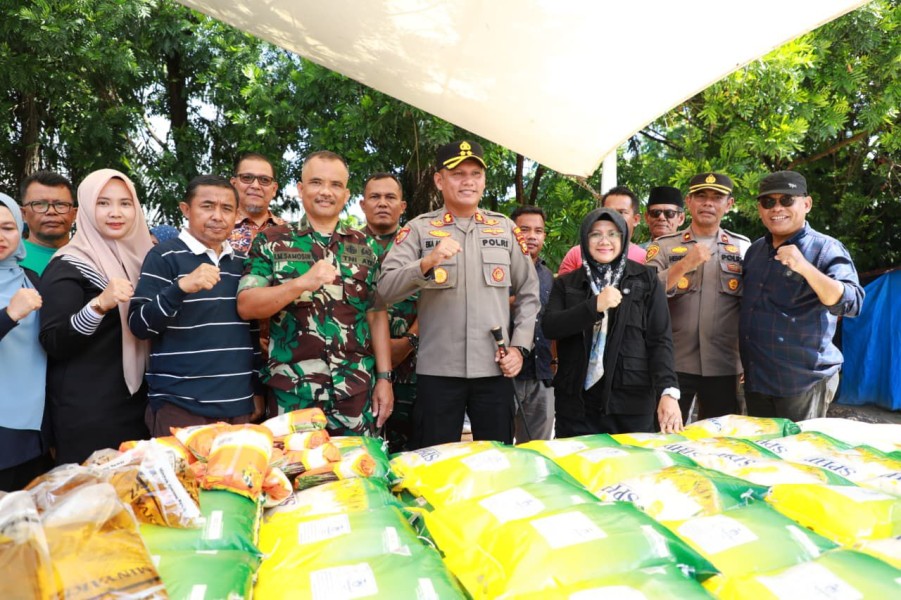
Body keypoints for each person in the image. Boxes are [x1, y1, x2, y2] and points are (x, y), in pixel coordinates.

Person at [378, 140, 540, 448]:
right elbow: (385, 289)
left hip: (494, 369)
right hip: (439, 372)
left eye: (475, 174)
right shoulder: (419, 230)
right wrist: (426, 263)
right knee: (436, 464)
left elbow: (530, 292)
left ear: (483, 181)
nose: (468, 181)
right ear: (439, 181)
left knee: (496, 464)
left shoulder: (504, 229)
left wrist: (520, 348)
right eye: (457, 173)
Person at [237, 151, 393, 435]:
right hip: (293, 395)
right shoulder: (273, 240)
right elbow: (247, 305)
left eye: (335, 185)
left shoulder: (367, 246)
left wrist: (384, 378)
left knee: (358, 473)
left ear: (346, 194)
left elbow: (376, 314)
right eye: (316, 182)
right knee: (296, 475)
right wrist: (299, 283)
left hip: (355, 391)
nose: (325, 192)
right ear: (300, 189)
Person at [129, 175, 264, 436]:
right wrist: (180, 288)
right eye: (207, 206)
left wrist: (256, 390)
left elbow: (252, 334)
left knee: (233, 478)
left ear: (237, 215)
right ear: (186, 210)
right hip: (179, 408)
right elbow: (139, 325)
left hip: (237, 406)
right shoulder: (163, 256)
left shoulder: (242, 263)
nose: (217, 216)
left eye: (226, 209)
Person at [39, 169, 153, 464]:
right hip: (88, 411)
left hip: (140, 405)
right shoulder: (69, 265)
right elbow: (54, 341)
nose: (115, 213)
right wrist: (98, 306)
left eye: (125, 203)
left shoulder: (145, 261)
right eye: (103, 203)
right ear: (87, 209)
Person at [543, 208, 682, 436]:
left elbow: (660, 340)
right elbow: (551, 326)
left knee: (632, 470)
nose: (604, 241)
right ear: (585, 239)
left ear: (623, 238)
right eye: (595, 234)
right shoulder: (567, 283)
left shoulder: (646, 279)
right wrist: (594, 306)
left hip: (631, 405)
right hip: (576, 406)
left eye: (613, 234)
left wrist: (668, 391)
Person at [740, 170, 864, 421]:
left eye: (787, 200)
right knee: (764, 455)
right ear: (760, 209)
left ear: (806, 204)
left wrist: (805, 267)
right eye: (768, 202)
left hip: (803, 382)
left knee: (799, 457)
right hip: (758, 380)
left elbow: (852, 302)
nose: (777, 208)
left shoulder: (825, 248)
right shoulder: (755, 250)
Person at [645, 172, 749, 422]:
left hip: (723, 365)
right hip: (672, 363)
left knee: (717, 443)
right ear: (689, 202)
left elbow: (753, 307)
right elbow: (644, 294)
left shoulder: (744, 248)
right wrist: (683, 265)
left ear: (729, 204)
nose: (708, 203)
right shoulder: (664, 246)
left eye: (717, 197)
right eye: (701, 196)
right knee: (664, 438)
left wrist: (749, 359)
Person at [360, 172, 419, 452]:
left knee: (413, 454)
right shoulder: (345, 246)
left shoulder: (418, 245)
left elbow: (438, 299)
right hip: (360, 371)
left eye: (390, 197)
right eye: (375, 197)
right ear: (362, 204)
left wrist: (409, 341)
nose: (382, 203)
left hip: (414, 371)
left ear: (403, 206)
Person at [0, 193, 52, 490]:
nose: (1, 236)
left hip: (33, 426)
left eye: (7, 227)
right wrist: (9, 314)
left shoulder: (29, 277)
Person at [509, 205, 555, 442]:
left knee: (538, 452)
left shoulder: (548, 275)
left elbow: (553, 323)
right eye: (524, 229)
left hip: (541, 374)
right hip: (505, 376)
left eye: (538, 230)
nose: (531, 236)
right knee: (499, 451)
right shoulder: (498, 271)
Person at [558, 186, 646, 275]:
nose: (614, 217)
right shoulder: (576, 253)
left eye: (621, 212)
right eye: (608, 211)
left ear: (636, 219)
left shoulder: (645, 258)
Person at [18, 171, 77, 275]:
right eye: (39, 204)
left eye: (60, 204)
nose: (51, 211)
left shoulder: (91, 258)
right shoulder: (9, 258)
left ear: (74, 214)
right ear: (23, 214)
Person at [228, 152, 286, 255]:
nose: (255, 186)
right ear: (233, 184)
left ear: (274, 189)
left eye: (264, 180)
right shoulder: (216, 227)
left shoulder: (291, 233)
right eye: (247, 178)